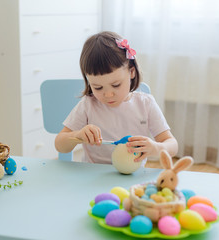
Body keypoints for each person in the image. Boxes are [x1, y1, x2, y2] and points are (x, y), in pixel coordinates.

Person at [54, 31, 178, 165]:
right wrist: (77, 136)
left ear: (131, 72)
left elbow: (172, 145)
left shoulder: (145, 104)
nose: (108, 94)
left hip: (132, 178)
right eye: (98, 87)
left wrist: (156, 148)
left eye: (116, 85)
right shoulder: (88, 105)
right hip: (92, 176)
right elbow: (60, 144)